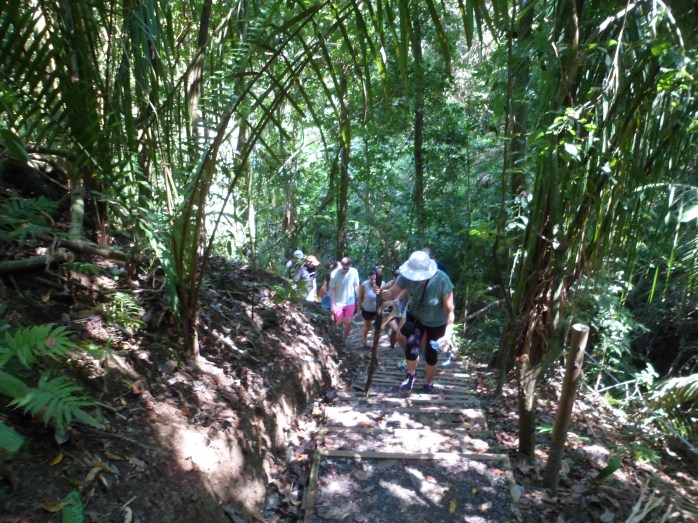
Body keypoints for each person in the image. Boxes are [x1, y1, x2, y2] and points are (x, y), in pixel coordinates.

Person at [380, 250, 454, 393]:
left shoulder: (442, 280)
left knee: (431, 355)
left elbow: (450, 310)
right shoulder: (406, 275)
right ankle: (411, 375)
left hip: (437, 322)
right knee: (411, 349)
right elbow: (391, 293)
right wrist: (381, 292)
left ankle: (428, 382)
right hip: (415, 317)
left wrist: (448, 334)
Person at [329, 257, 360, 341]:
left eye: (347, 268)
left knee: (348, 322)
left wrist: (359, 297)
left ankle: (344, 340)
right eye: (344, 268)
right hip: (338, 302)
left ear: (351, 265)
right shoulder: (334, 274)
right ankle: (336, 338)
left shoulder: (354, 272)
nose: (345, 270)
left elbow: (356, 285)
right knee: (338, 322)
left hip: (350, 301)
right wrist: (332, 305)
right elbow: (331, 289)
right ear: (341, 265)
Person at [356, 269, 379, 349]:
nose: (373, 281)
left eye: (375, 279)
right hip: (367, 310)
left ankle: (375, 343)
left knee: (378, 326)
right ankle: (364, 339)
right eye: (372, 279)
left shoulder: (382, 284)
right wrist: (358, 311)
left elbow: (385, 297)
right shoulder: (364, 285)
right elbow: (359, 298)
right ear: (369, 277)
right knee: (368, 326)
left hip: (377, 310)